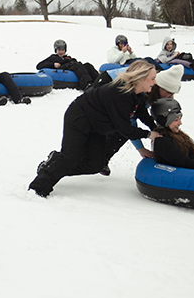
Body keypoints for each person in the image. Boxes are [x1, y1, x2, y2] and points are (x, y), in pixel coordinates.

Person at [28, 60, 160, 198]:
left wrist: (156, 128)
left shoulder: (136, 94)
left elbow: (142, 114)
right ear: (140, 78)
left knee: (95, 164)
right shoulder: (120, 94)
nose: (155, 82)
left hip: (96, 126)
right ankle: (38, 188)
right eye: (152, 78)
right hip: (79, 117)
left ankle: (54, 163)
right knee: (69, 158)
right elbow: (125, 129)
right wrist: (150, 134)